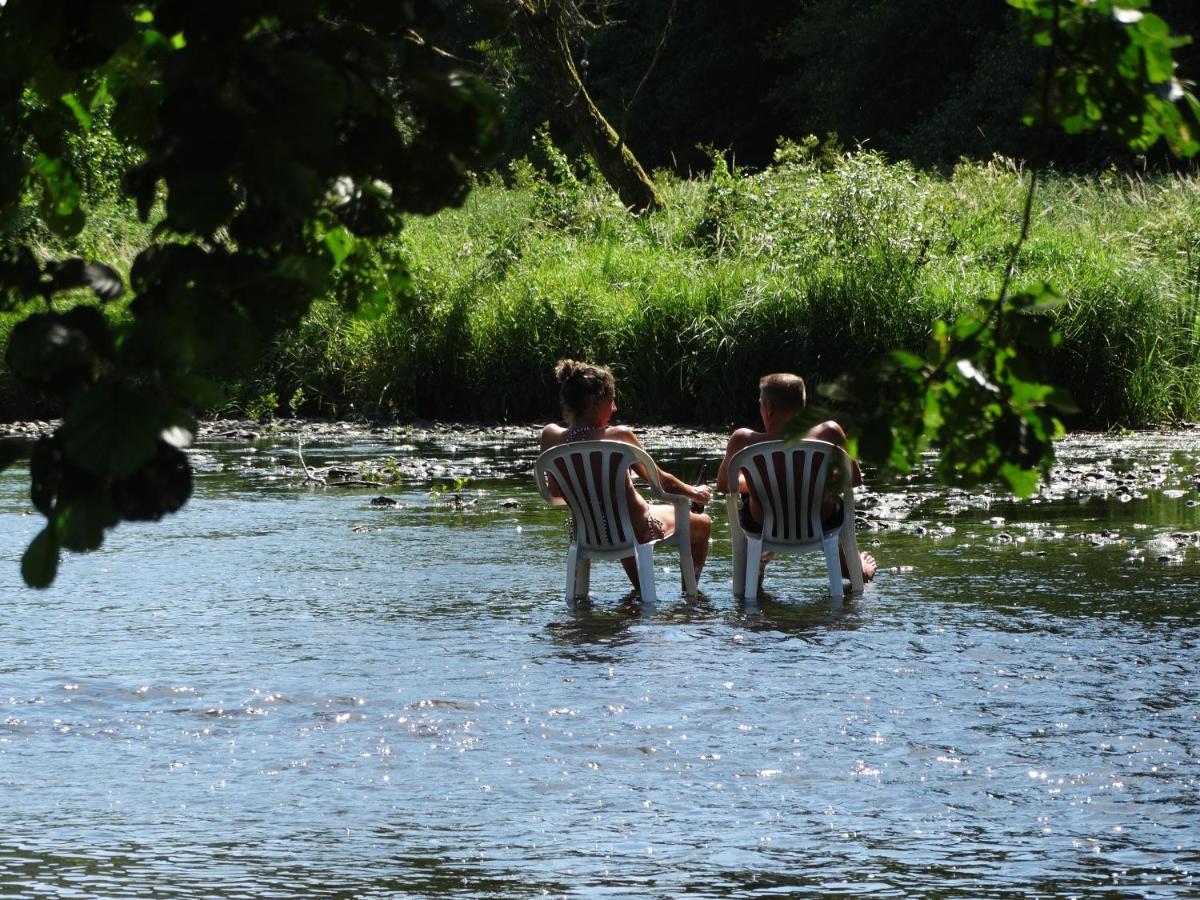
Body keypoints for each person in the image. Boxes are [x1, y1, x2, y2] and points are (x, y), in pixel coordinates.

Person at [541, 359, 713, 593]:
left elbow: (554, 492)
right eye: (611, 401)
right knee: (703, 524)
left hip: (588, 532)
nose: (615, 409)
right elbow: (660, 481)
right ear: (595, 401)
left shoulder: (550, 437)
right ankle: (690, 596)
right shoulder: (619, 436)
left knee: (615, 516)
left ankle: (641, 593)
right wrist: (695, 492)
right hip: (637, 528)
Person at [716, 373, 877, 586]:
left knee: (759, 510)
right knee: (830, 507)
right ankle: (858, 570)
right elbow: (854, 479)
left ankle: (758, 560)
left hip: (764, 525)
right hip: (820, 522)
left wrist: (758, 480)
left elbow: (724, 486)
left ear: (768, 407)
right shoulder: (829, 433)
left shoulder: (742, 440)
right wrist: (816, 478)